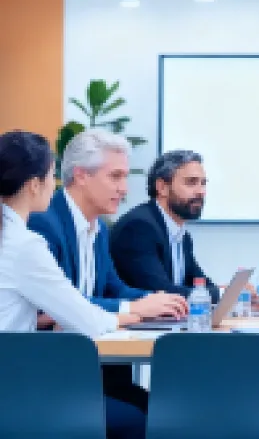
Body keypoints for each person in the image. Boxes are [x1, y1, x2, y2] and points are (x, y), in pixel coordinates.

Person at [28, 128, 187, 414]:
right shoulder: (44, 223)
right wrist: (134, 307)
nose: (124, 189)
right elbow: (58, 305)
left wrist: (157, 301)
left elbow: (114, 287)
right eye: (115, 177)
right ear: (81, 176)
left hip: (89, 368)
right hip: (53, 376)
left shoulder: (98, 227)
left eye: (125, 177)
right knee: (151, 418)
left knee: (168, 410)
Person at [0, 130, 145, 439]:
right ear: (33, 184)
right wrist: (130, 313)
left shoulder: (13, 237)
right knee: (136, 419)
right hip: (16, 392)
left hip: (16, 381)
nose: (55, 185)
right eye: (52, 176)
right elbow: (86, 320)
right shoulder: (25, 244)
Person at [110, 150, 220, 303]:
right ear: (162, 187)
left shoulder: (182, 236)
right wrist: (220, 293)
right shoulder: (139, 227)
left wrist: (227, 292)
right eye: (191, 182)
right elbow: (161, 292)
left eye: (203, 183)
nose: (201, 191)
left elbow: (200, 284)